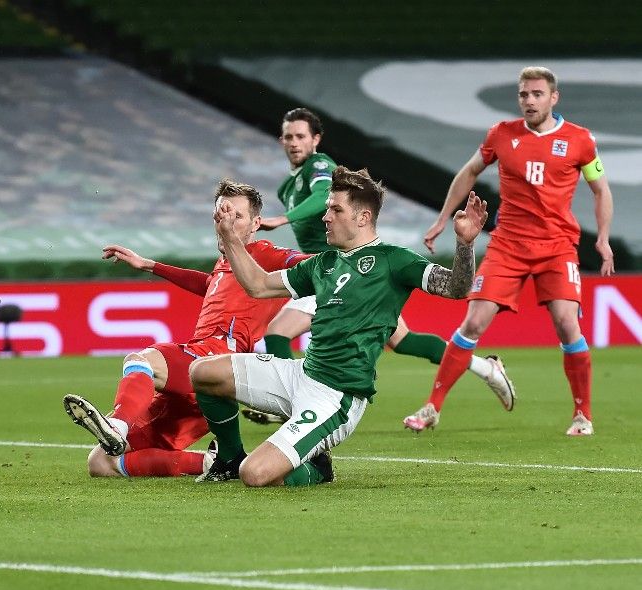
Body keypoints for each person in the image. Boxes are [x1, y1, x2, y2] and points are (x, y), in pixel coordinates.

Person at [189, 166, 487, 485]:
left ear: (363, 217)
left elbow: (457, 288)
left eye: (335, 209)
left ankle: (317, 469)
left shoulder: (395, 260)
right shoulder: (324, 263)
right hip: (300, 374)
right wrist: (230, 238)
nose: (325, 217)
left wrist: (465, 244)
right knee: (202, 371)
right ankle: (230, 458)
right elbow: (258, 285)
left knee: (255, 474)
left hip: (335, 396)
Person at [247, 108, 512, 426]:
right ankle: (485, 367)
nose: (294, 142)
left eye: (301, 136)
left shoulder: (319, 166)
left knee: (277, 332)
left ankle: (290, 405)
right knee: (403, 341)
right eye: (288, 136)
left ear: (316, 139)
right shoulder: (286, 188)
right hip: (329, 270)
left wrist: (282, 219)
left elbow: (320, 195)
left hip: (345, 270)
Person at [405, 66, 615, 436]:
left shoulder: (580, 139)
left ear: (553, 97)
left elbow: (601, 190)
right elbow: (469, 172)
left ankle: (583, 415)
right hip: (508, 244)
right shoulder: (501, 134)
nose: (529, 101)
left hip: (556, 246)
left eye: (537, 94)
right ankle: (432, 407)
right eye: (523, 94)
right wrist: (442, 219)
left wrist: (603, 238)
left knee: (567, 324)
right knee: (473, 322)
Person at [62, 178, 310, 478]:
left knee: (142, 361)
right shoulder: (227, 262)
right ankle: (211, 463)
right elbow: (209, 283)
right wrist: (150, 265)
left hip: (216, 357)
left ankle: (117, 424)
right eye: (221, 214)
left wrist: (345, 263)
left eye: (236, 216)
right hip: (200, 388)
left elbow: (310, 264)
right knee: (100, 463)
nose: (226, 222)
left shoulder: (266, 254)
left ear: (256, 223)